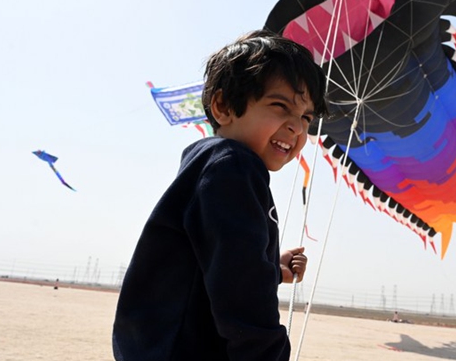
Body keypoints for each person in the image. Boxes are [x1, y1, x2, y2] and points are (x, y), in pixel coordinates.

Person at [112, 30, 328, 361]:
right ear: (224, 106)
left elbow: (222, 264)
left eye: (305, 118)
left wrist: (273, 268)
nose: (296, 128)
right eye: (279, 106)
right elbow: (243, 292)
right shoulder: (233, 166)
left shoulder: (213, 166)